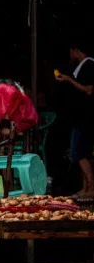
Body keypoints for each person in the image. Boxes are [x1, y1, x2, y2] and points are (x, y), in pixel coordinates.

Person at [55, 42, 94, 198]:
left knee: (77, 152)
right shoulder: (83, 66)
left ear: (75, 50)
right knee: (81, 151)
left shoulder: (89, 65)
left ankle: (91, 188)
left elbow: (89, 89)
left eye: (70, 52)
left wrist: (69, 80)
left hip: (85, 117)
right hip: (79, 117)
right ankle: (86, 189)